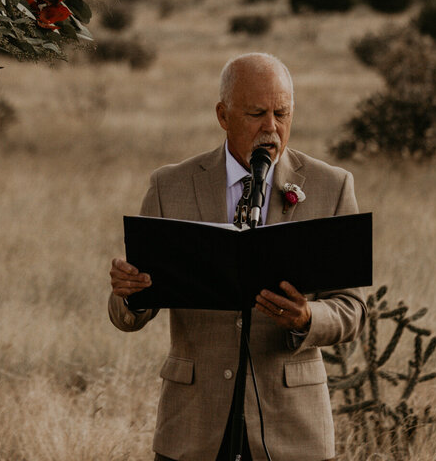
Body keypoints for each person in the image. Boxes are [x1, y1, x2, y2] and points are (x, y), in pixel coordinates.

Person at [108, 53, 366, 461]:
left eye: (282, 113)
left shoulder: (332, 186)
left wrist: (307, 318)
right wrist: (129, 293)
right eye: (256, 113)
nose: (272, 128)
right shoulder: (169, 186)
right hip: (194, 427)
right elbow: (128, 315)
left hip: (293, 430)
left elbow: (353, 308)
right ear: (223, 115)